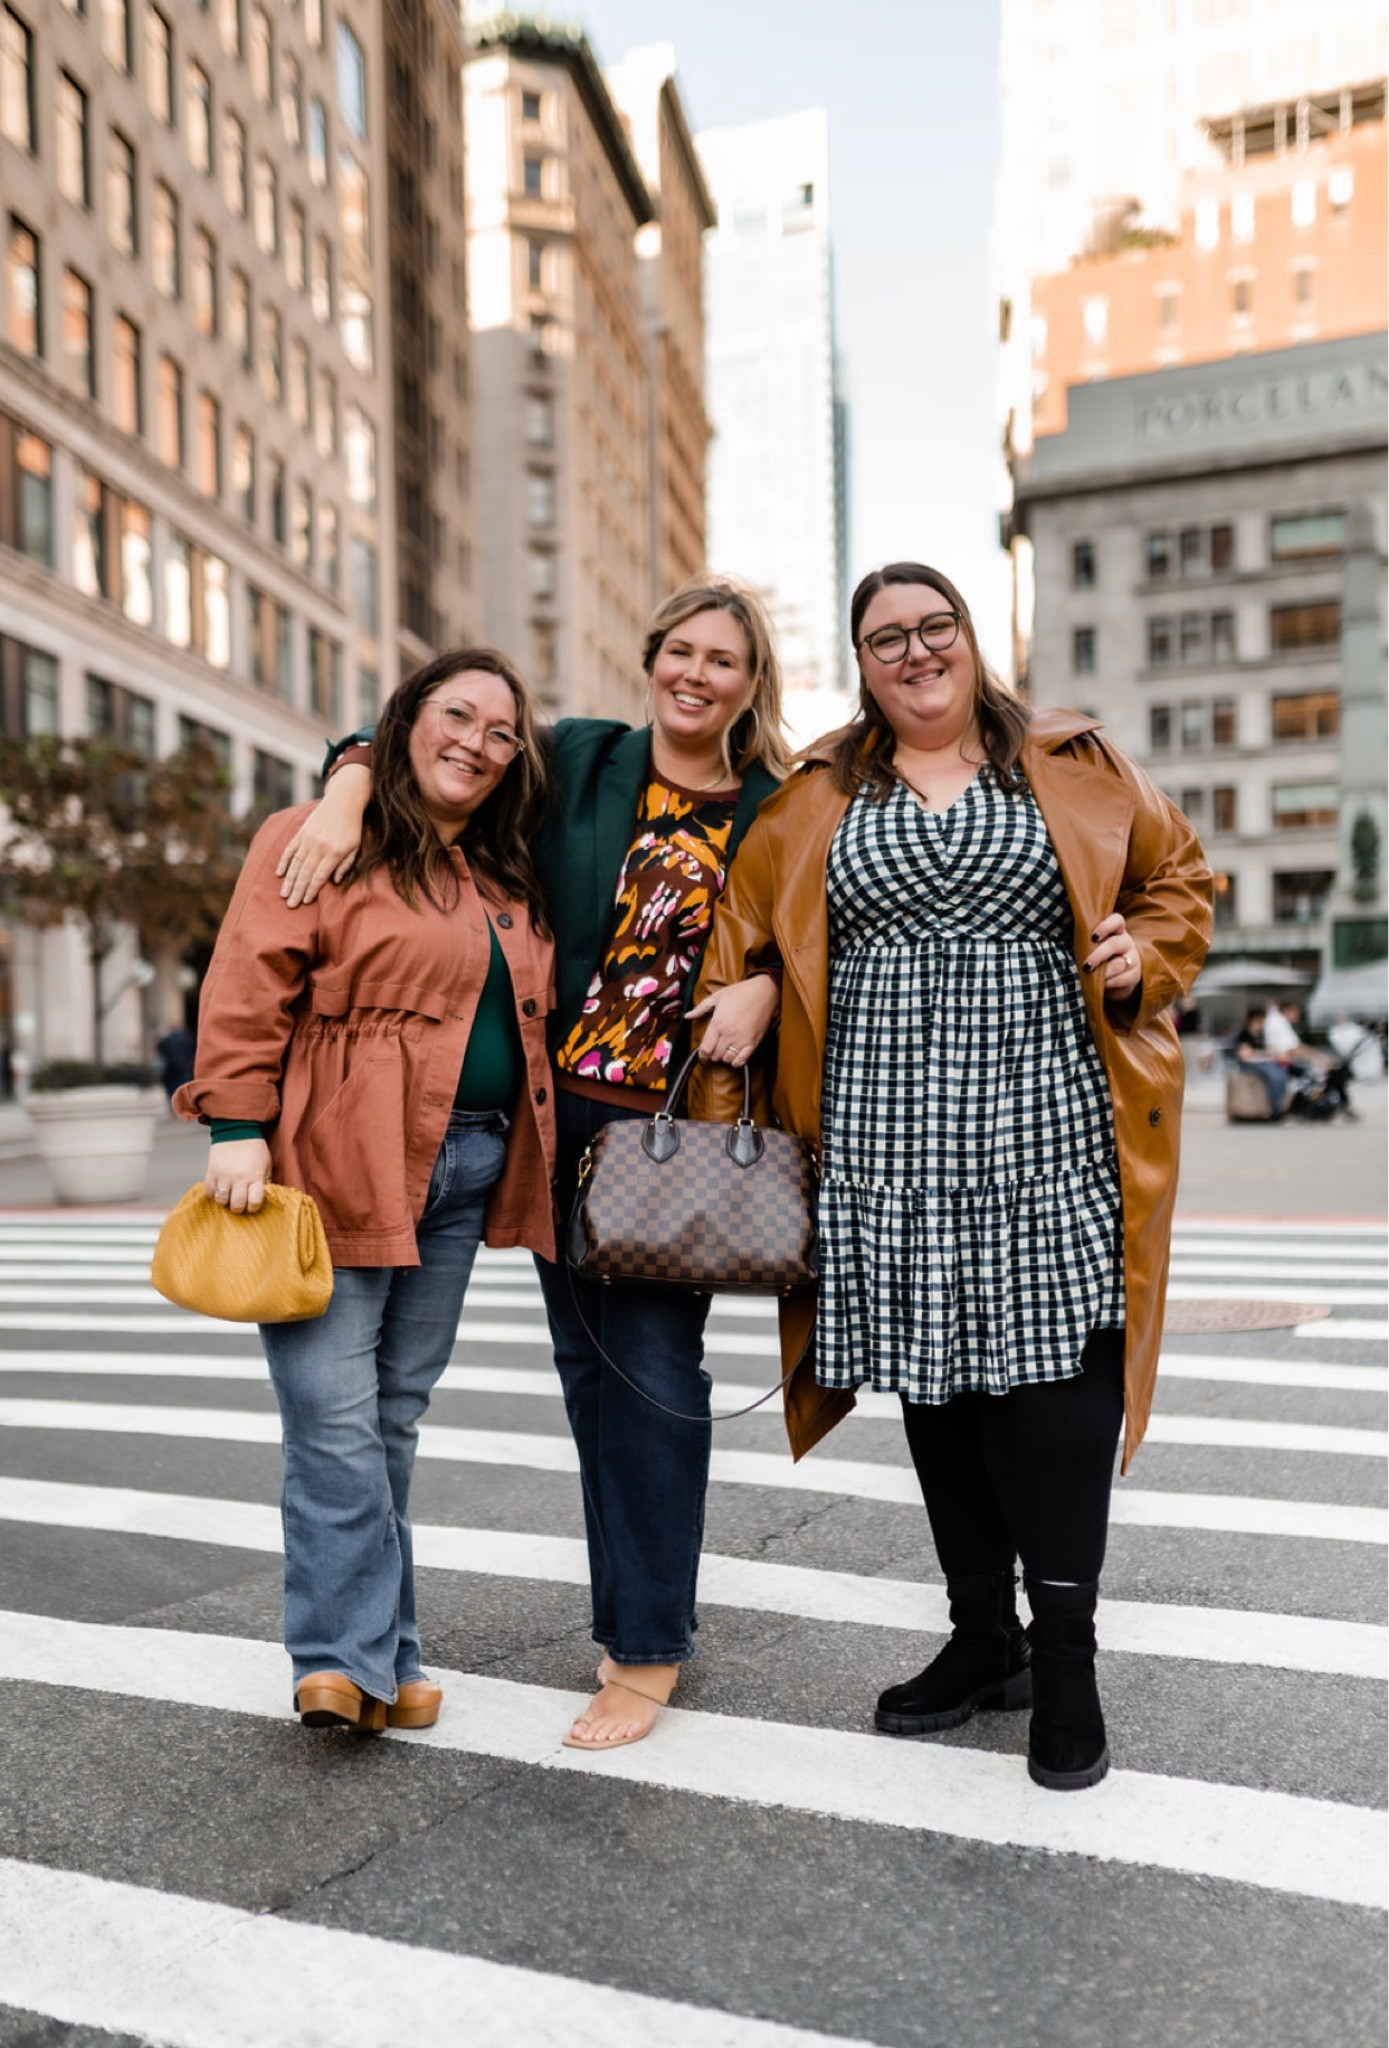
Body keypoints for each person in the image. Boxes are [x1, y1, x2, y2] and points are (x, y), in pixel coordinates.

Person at [691, 561, 1212, 1791]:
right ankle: (987, 1639)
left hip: (1047, 1122)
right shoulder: (819, 790)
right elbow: (749, 923)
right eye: (886, 639)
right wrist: (762, 978)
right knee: (936, 1386)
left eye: (936, 628)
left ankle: (1067, 1662)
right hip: (880, 1134)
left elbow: (1178, 880)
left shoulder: (1075, 760)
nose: (915, 652)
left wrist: (1147, 951)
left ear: (972, 640)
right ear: (863, 667)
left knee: (1056, 1382)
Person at [278, 577, 791, 1749]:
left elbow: (829, 923)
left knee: (655, 1377)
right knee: (590, 1376)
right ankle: (630, 1620)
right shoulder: (577, 761)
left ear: (750, 684)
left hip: (679, 1132)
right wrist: (348, 784)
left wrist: (768, 981)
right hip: (559, 1129)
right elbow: (426, 743)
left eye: (725, 659)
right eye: (681, 650)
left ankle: (649, 1645)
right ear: (651, 657)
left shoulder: (780, 803)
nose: (697, 673)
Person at [175, 650, 557, 1734]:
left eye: (500, 731)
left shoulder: (504, 868)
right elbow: (249, 977)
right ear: (405, 721)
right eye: (456, 714)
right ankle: (341, 1658)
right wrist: (237, 1125)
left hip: (466, 1161)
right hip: (338, 1158)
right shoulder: (324, 839)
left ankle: (384, 1649)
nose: (477, 742)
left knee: (390, 1416)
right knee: (332, 1418)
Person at [1233, 1005, 1290, 1116]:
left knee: (1281, 1073)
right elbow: (1245, 1055)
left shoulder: (1261, 1035)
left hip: (1263, 1062)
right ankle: (1275, 1107)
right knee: (1273, 1075)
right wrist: (1264, 1055)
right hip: (1249, 1064)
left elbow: (1268, 1050)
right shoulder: (1244, 1034)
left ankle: (1280, 1104)